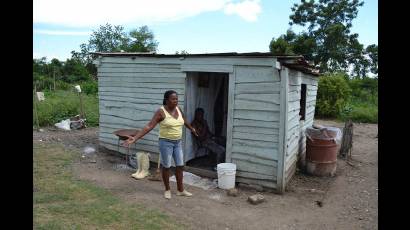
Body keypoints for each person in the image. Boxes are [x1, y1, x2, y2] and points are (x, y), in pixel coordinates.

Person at [123, 90, 199, 199]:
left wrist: (192, 129)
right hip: (165, 143)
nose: (176, 101)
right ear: (167, 100)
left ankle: (180, 190)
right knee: (167, 166)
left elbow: (184, 120)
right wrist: (135, 138)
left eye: (176, 99)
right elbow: (149, 126)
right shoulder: (161, 112)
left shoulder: (178, 109)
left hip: (178, 142)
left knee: (180, 165)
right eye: (173, 99)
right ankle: (167, 189)